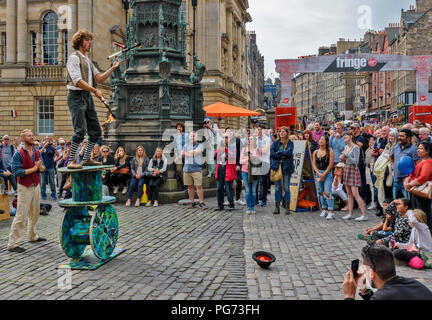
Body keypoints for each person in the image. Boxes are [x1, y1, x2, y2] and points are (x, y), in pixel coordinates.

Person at [66, 29, 120, 169]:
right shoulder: (74, 58)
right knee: (80, 130)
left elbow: (100, 78)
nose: (90, 43)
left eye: (90, 40)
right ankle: (71, 161)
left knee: (95, 130)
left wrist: (112, 68)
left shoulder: (88, 61)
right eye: (87, 40)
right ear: (79, 42)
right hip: (76, 97)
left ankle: (86, 159)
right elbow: (77, 81)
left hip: (86, 97)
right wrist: (95, 90)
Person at [343, 244, 432, 300]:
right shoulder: (414, 284)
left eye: (364, 270)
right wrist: (364, 288)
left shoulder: (382, 296)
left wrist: (349, 296)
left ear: (372, 273)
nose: (363, 273)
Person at [7, 130, 46, 253]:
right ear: (23, 138)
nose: (32, 137)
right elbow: (16, 172)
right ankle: (12, 244)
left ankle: (32, 236)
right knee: (21, 215)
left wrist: (39, 167)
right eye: (29, 136)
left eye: (32, 135)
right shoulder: (18, 153)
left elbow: (42, 169)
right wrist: (33, 168)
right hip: (24, 186)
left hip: (36, 185)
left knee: (35, 213)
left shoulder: (35, 151)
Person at [403, 141, 432, 233]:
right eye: (418, 148)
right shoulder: (421, 162)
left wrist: (410, 184)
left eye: (420, 148)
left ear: (427, 151)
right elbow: (412, 174)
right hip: (416, 191)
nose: (418, 150)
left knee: (422, 213)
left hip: (422, 192)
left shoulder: (428, 162)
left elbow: (423, 177)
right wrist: (407, 180)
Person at [340, 132, 368, 221]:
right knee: (349, 194)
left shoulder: (355, 147)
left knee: (356, 194)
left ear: (351, 137)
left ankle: (364, 214)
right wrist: (343, 158)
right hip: (347, 169)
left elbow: (356, 161)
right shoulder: (346, 147)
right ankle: (350, 213)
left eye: (346, 135)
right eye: (343, 135)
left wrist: (346, 155)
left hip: (353, 170)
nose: (344, 137)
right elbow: (347, 160)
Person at [270, 126, 294, 215]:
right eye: (280, 131)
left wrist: (279, 153)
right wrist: (283, 154)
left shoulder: (290, 143)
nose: (281, 133)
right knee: (277, 188)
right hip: (277, 167)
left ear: (287, 133)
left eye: (283, 131)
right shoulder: (275, 143)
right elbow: (272, 154)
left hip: (287, 167)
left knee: (287, 187)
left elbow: (289, 152)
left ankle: (287, 207)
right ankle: (277, 207)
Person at [391, 129, 420, 199]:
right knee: (396, 203)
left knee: (407, 204)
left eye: (402, 136)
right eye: (399, 136)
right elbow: (391, 157)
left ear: (409, 138)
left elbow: (418, 165)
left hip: (407, 182)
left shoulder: (413, 149)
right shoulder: (396, 147)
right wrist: (393, 168)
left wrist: (409, 177)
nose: (399, 138)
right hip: (396, 181)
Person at [182, 131, 207, 210]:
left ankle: (201, 202)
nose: (192, 137)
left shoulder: (200, 145)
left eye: (194, 136)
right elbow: (182, 154)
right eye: (191, 136)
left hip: (196, 169)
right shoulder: (186, 145)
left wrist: (187, 153)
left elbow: (196, 152)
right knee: (190, 186)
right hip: (187, 169)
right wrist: (190, 153)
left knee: (199, 186)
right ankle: (192, 202)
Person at [312, 135, 335, 220]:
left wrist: (324, 174)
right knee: (320, 192)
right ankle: (324, 209)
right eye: (320, 139)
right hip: (319, 172)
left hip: (327, 173)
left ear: (326, 142)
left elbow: (331, 164)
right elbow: (313, 164)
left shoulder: (330, 151)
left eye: (323, 140)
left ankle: (331, 211)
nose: (321, 141)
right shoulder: (315, 152)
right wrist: (318, 173)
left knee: (327, 192)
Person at [214, 133, 237, 211]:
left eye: (226, 137)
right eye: (223, 137)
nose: (224, 139)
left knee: (228, 188)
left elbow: (232, 158)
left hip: (228, 169)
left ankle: (231, 204)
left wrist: (225, 149)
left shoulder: (232, 147)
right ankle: (220, 205)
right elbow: (214, 156)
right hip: (220, 168)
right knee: (219, 188)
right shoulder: (220, 147)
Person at [240, 135, 260, 214]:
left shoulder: (256, 150)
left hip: (254, 172)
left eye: (251, 140)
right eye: (248, 140)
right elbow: (240, 161)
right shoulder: (243, 150)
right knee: (247, 191)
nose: (250, 142)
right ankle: (248, 207)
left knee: (254, 191)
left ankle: (253, 207)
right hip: (245, 172)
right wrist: (247, 159)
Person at [39, 136, 59, 200]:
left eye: (49, 140)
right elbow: (39, 153)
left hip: (51, 166)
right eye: (46, 139)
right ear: (44, 140)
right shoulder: (41, 147)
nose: (48, 141)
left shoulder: (52, 147)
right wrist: (44, 146)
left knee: (52, 181)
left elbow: (58, 155)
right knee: (42, 182)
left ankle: (53, 194)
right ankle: (43, 194)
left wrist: (54, 148)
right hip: (43, 166)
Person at [256, 125, 271, 207]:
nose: (259, 131)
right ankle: (256, 199)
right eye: (258, 129)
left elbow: (265, 151)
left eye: (261, 129)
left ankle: (264, 199)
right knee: (256, 181)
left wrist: (258, 149)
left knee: (264, 182)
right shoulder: (255, 139)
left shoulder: (267, 139)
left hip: (265, 162)